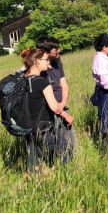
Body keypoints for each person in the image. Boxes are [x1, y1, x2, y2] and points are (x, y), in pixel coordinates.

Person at [20, 48, 74, 173]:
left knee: (33, 159)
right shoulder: (43, 82)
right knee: (66, 149)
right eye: (46, 60)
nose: (48, 64)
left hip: (28, 128)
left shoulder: (22, 80)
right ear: (37, 61)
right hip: (43, 127)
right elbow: (54, 107)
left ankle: (34, 182)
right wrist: (67, 116)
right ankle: (67, 176)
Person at [36, 36, 75, 164]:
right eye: (56, 49)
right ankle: (52, 168)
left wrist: (62, 104)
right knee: (54, 145)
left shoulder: (57, 62)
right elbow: (46, 99)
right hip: (49, 112)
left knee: (70, 143)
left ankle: (67, 168)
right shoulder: (39, 69)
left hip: (61, 107)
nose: (59, 50)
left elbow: (64, 84)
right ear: (46, 51)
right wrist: (62, 113)